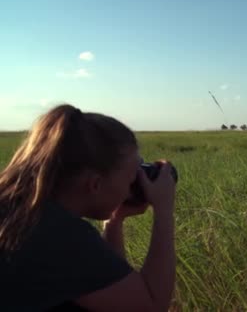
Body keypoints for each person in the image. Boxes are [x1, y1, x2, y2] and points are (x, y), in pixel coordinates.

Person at [0, 104, 177, 311]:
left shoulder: (22, 210)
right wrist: (164, 211)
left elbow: (110, 286)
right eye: (131, 179)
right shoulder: (59, 235)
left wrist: (114, 221)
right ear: (95, 184)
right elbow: (150, 307)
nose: (135, 184)